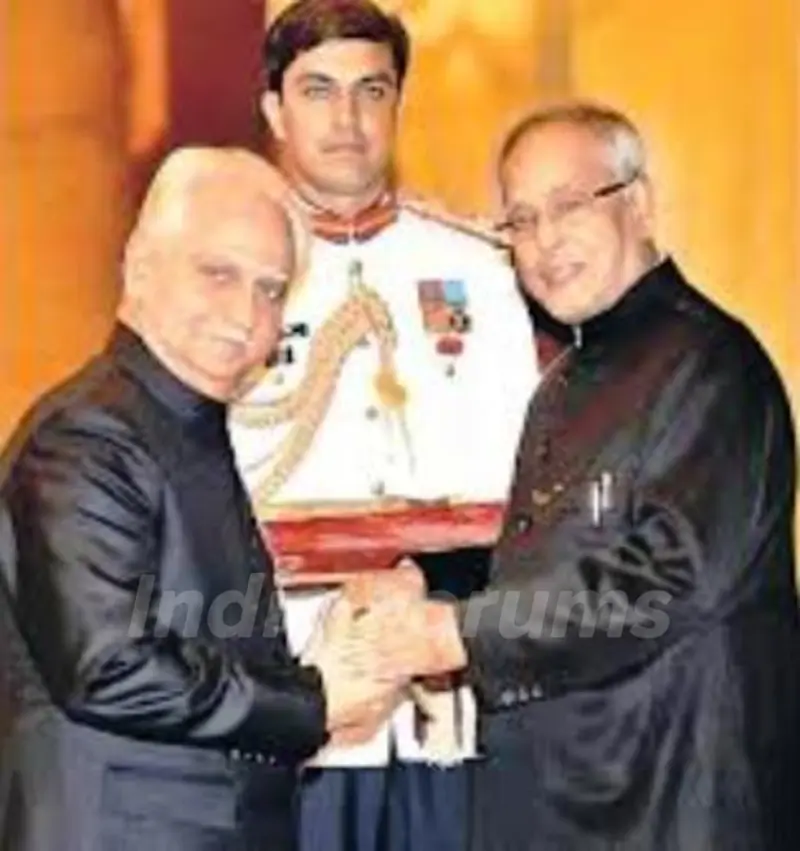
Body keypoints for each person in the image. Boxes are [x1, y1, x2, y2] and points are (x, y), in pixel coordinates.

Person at [357, 102, 800, 850]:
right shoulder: (568, 378)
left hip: (670, 801)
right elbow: (550, 563)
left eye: (567, 206)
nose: (543, 242)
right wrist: (422, 576)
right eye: (520, 220)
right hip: (576, 796)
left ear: (639, 202)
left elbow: (658, 583)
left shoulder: (709, 367)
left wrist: (457, 633)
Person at [0, 147, 400, 851]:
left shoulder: (175, 422)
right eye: (217, 273)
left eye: (272, 290)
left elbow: (199, 638)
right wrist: (311, 701)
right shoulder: (89, 435)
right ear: (141, 266)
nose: (245, 314)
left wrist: (329, 665)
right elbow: (108, 666)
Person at [228, 1, 538, 849]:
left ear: (398, 102)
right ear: (273, 108)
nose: (347, 118)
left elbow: (529, 475)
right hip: (293, 673)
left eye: (372, 90)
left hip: (450, 680)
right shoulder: (230, 273)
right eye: (318, 90)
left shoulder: (478, 267)